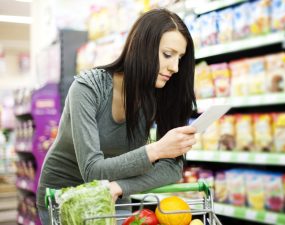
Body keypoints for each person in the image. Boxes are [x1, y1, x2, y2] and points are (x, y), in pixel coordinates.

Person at [37, 8, 197, 225]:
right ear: (142, 48)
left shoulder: (159, 93)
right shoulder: (87, 89)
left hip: (115, 194)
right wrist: (158, 149)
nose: (175, 67)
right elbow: (92, 171)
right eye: (168, 55)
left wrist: (120, 187)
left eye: (180, 58)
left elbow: (172, 168)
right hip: (67, 199)